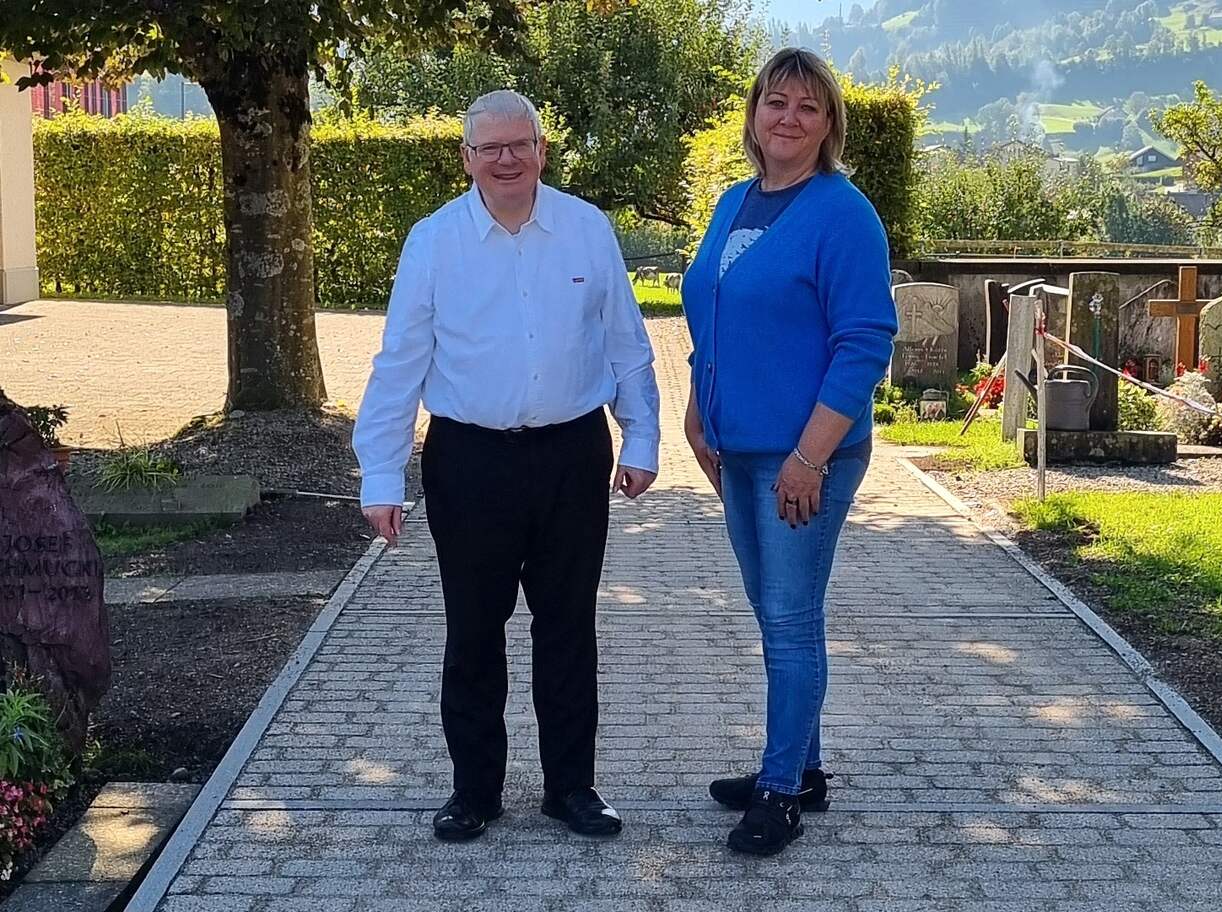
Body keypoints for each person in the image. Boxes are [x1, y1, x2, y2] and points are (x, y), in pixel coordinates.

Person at [353, 90, 660, 842]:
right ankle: (474, 793)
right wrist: (382, 475)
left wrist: (642, 440)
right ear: (466, 158)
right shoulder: (433, 242)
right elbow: (399, 364)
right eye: (488, 148)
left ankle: (572, 789)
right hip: (469, 462)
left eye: (518, 144)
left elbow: (626, 344)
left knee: (568, 630)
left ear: (541, 148)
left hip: (570, 456)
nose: (505, 159)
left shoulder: (587, 231)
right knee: (472, 633)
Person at [680, 48, 898, 856]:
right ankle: (797, 767)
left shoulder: (843, 213)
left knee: (791, 620)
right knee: (777, 617)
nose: (788, 119)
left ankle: (780, 793)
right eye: (776, 102)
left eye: (808, 108)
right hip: (738, 453)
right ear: (754, 115)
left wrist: (808, 458)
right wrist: (700, 417)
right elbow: (712, 317)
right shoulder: (734, 202)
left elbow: (865, 341)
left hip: (807, 458)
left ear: (829, 125)